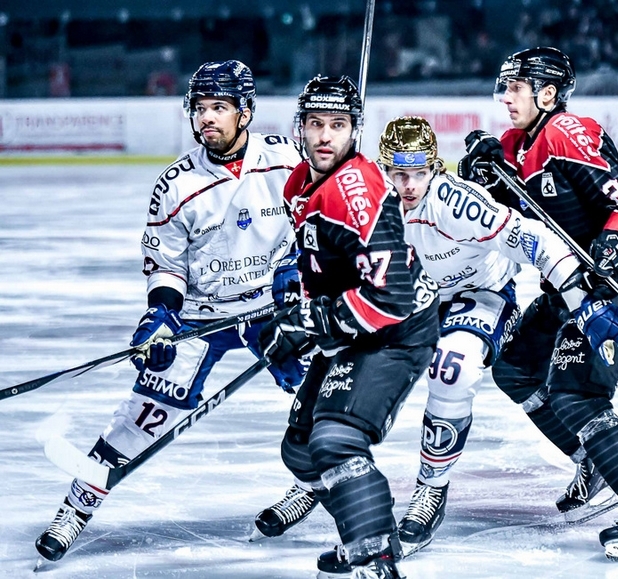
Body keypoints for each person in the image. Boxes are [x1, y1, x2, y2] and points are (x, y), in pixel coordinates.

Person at [34, 60, 305, 564]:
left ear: (245, 112)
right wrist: (159, 317)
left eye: (219, 107)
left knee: (327, 394)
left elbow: (318, 221)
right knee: (141, 418)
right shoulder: (175, 185)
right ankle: (76, 507)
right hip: (202, 317)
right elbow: (167, 266)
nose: (207, 118)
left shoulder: (287, 160)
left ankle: (311, 484)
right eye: (199, 108)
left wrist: (298, 271)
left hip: (274, 310)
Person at [380, 116, 618, 557]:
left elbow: (539, 239)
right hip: (421, 299)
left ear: (434, 167)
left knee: (456, 370)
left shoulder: (455, 201)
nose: (409, 185)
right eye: (399, 173)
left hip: (484, 294)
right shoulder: (370, 201)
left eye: (418, 173)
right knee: (515, 370)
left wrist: (583, 303)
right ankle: (592, 459)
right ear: (384, 169)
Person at [457, 47, 618, 562]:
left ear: (547, 93)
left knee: (578, 394)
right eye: (505, 87)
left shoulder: (568, 132)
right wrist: (479, 171)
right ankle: (594, 460)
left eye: (517, 87)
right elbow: (497, 216)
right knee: (515, 369)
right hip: (568, 284)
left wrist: (612, 250)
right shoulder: (515, 145)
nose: (506, 97)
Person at [254, 75, 441, 578]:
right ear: (300, 127)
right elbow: (324, 264)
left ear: (354, 130)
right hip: (354, 325)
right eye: (315, 123)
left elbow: (391, 297)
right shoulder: (299, 183)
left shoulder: (356, 193)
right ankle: (365, 527)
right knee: (300, 449)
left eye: (337, 125)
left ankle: (375, 557)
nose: (324, 136)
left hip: (397, 330)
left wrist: (312, 324)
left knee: (335, 440)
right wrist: (299, 309)